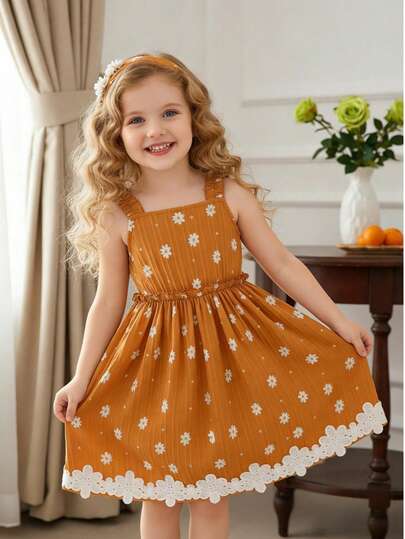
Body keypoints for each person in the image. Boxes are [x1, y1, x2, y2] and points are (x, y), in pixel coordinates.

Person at [53, 52, 388, 539]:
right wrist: (81, 379)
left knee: (212, 494)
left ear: (194, 116)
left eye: (169, 112)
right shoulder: (118, 214)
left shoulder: (227, 194)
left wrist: (339, 322)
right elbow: (108, 301)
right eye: (136, 120)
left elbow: (281, 264)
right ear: (115, 134)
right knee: (161, 494)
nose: (155, 130)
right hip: (157, 369)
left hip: (227, 361)